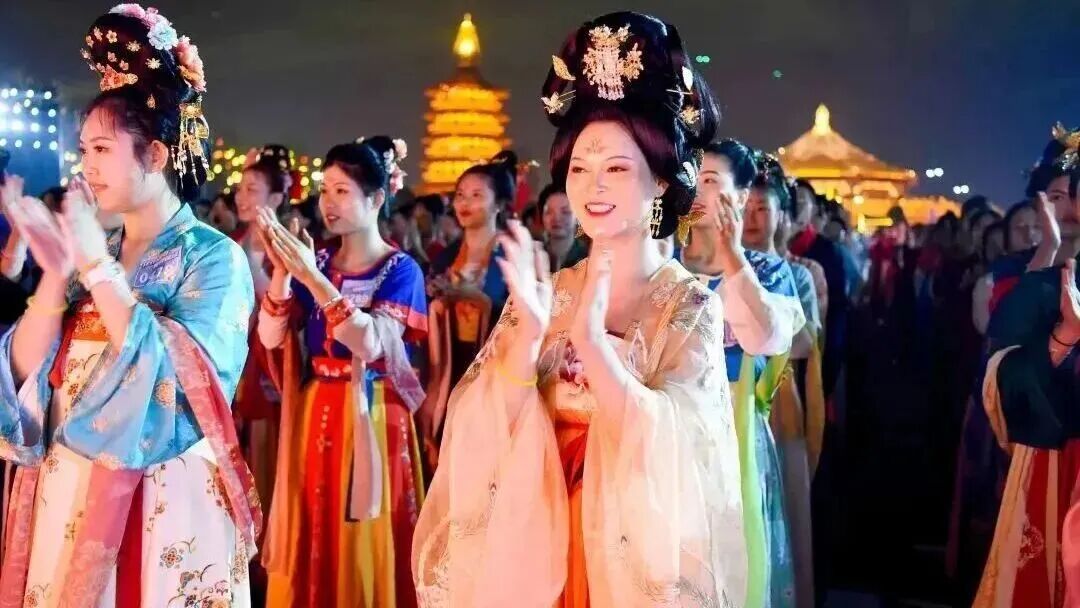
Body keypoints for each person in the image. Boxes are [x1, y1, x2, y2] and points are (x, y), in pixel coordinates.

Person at [413, 12, 746, 606]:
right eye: (579, 169)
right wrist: (525, 343)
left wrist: (594, 347)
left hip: (626, 560)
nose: (594, 187)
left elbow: (686, 455)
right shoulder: (552, 291)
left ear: (661, 182)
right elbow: (479, 425)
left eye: (617, 168)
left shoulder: (690, 304)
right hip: (537, 545)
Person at [0, 5, 260, 605]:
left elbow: (188, 385)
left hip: (161, 489)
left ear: (157, 156)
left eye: (101, 148)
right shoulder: (98, 249)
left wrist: (96, 267)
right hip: (69, 478)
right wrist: (55, 274)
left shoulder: (212, 257)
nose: (86, 166)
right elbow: (25, 374)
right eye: (83, 149)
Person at [255, 140, 427, 608]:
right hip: (318, 410)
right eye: (324, 190)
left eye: (342, 191)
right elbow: (271, 337)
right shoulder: (318, 261)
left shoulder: (400, 270)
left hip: (373, 414)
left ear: (376, 199)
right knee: (315, 520)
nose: (328, 202)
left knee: (364, 535)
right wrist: (283, 274)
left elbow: (371, 344)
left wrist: (312, 278)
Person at [679, 138, 804, 607]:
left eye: (711, 180)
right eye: (691, 177)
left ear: (740, 196)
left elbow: (767, 338)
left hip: (734, 430)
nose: (696, 189)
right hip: (669, 428)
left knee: (733, 564)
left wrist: (733, 260)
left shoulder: (767, 272)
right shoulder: (661, 268)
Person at [976, 122, 1080, 606]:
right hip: (1053, 459)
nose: (1069, 208)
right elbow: (1005, 379)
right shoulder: (1033, 279)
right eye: (1057, 197)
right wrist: (1062, 340)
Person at [419, 152, 516, 457]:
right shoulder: (445, 257)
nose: (465, 203)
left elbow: (524, 317)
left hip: (495, 368)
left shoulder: (512, 255)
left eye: (477, 195)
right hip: (450, 365)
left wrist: (477, 298)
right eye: (460, 195)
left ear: (498, 204)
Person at [537, 182, 589, 272]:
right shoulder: (534, 255)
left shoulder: (589, 258)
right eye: (549, 212)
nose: (557, 218)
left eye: (565, 212)